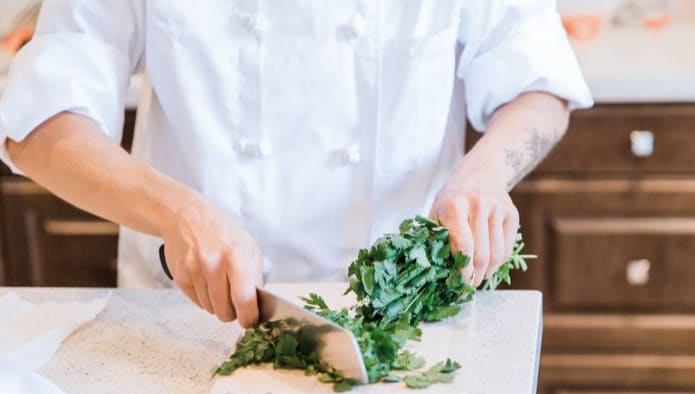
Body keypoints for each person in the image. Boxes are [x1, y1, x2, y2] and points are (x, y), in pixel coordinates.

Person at [0, 0, 592, 328]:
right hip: (191, 318)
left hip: (403, 313)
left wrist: (484, 175)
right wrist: (177, 210)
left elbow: (538, 85)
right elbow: (39, 124)